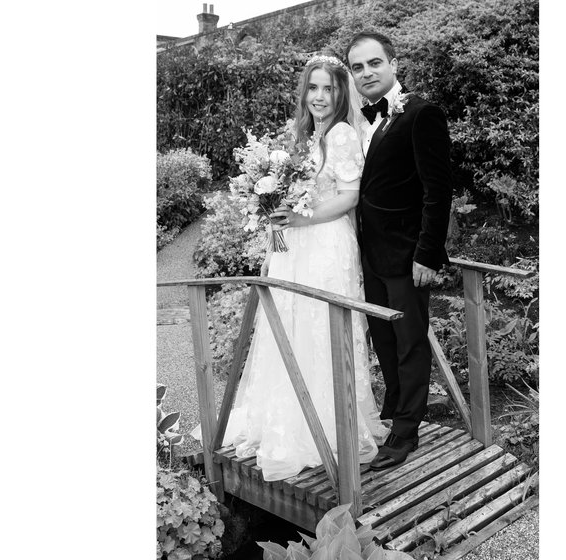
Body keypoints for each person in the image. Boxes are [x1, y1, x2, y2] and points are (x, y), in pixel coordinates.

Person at [192, 54, 388, 482]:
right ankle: (286, 420)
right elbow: (295, 190)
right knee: (288, 324)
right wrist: (272, 210)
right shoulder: (304, 134)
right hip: (293, 246)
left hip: (325, 244)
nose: (320, 96)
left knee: (318, 324)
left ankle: (328, 430)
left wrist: (301, 218)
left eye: (329, 88)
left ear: (341, 93)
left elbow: (349, 196)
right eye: (313, 88)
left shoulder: (339, 134)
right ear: (305, 91)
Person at [346, 32, 453, 470]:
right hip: (368, 255)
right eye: (358, 67)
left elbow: (437, 188)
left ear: (393, 64)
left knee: (410, 343)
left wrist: (428, 253)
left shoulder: (421, 113)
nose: (367, 73)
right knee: (384, 342)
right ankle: (392, 415)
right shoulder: (355, 121)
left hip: (408, 256)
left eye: (375, 63)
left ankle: (406, 432)